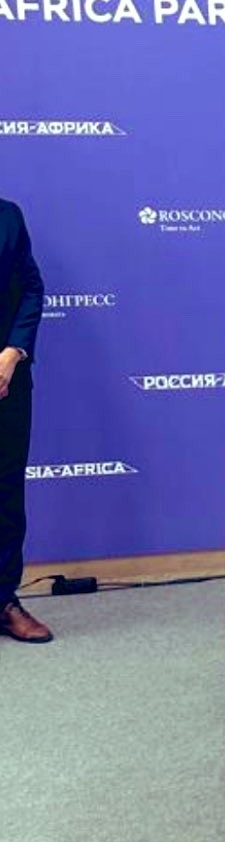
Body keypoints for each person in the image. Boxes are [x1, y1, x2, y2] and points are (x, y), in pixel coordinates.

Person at [0, 199, 51, 643]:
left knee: (6, 492)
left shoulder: (8, 216)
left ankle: (3, 600)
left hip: (7, 381)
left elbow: (31, 289)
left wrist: (13, 353)